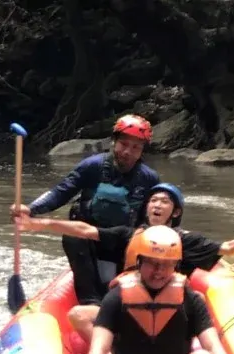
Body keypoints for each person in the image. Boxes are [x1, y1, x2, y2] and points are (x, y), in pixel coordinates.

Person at [14, 182, 234, 341]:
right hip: (126, 309)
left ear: (175, 212)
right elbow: (84, 230)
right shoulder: (128, 235)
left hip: (168, 311)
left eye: (165, 202)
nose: (157, 205)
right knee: (78, 315)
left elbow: (226, 248)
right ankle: (112, 353)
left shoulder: (185, 241)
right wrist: (40, 224)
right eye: (153, 200)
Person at [75, 225, 234, 354]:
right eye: (152, 262)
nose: (158, 271)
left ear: (176, 266)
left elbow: (212, 344)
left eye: (166, 264)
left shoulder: (189, 298)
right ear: (139, 261)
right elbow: (99, 348)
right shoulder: (116, 297)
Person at [10, 114, 160, 307]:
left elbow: (158, 215)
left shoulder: (149, 179)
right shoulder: (92, 166)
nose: (127, 152)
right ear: (113, 142)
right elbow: (61, 192)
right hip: (88, 240)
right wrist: (30, 210)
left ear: (142, 151)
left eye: (135, 147)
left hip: (123, 243)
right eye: (123, 144)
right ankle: (90, 302)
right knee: (73, 236)